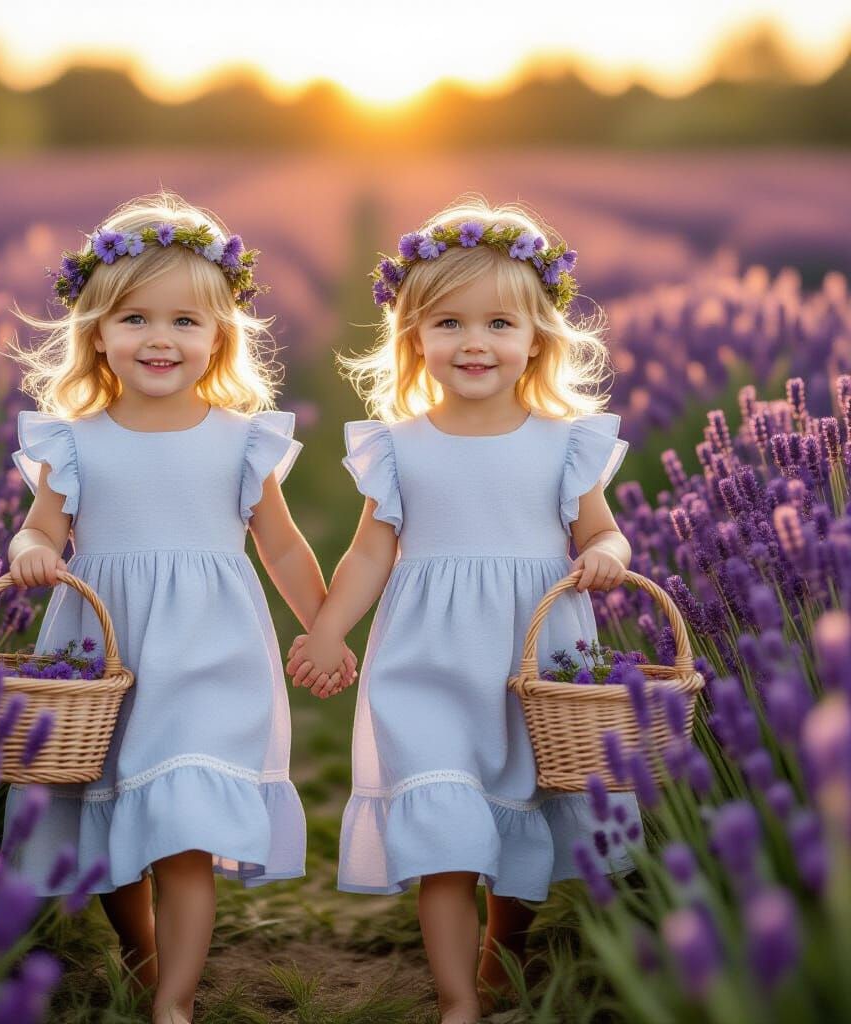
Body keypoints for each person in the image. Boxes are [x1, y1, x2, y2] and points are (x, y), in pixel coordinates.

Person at [287, 196, 643, 1024]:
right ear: (413, 336)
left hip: (535, 658)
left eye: (497, 325)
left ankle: (498, 956)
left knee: (523, 817)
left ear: (537, 339)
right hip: (426, 658)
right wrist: (330, 627)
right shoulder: (400, 446)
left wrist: (604, 557)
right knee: (444, 825)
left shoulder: (565, 443)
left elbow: (607, 532)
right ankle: (456, 999)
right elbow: (372, 550)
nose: (473, 342)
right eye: (447, 323)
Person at [2, 190, 355, 1024]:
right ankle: (140, 951)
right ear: (96, 332)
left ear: (221, 336)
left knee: (186, 825)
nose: (160, 339)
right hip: (104, 652)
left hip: (211, 653)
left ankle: (175, 1000)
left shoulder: (241, 439)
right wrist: (33, 555)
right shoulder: (75, 440)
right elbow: (34, 530)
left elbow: (281, 546)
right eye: (135, 319)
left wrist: (324, 627)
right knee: (117, 822)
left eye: (186, 322)